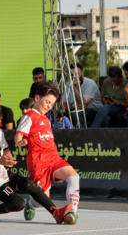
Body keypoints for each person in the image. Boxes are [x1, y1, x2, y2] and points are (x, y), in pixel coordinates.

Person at [0, 105, 72, 224]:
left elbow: (5, 149)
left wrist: (8, 156)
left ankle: (56, 213)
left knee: (28, 183)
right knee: (19, 203)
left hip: (5, 174)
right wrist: (1, 161)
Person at [15, 81, 80, 225]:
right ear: (37, 98)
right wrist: (20, 142)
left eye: (52, 104)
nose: (49, 106)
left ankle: (72, 213)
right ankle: (31, 204)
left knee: (73, 176)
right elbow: (17, 137)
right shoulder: (29, 116)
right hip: (38, 162)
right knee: (43, 198)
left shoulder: (46, 119)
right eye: (47, 102)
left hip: (53, 158)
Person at [63, 64, 103, 128]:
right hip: (75, 109)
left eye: (77, 74)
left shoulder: (90, 84)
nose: (74, 77)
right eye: (72, 75)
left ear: (82, 74)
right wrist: (73, 107)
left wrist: (75, 87)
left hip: (93, 111)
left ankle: (82, 135)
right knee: (62, 113)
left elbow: (82, 104)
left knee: (76, 114)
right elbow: (63, 104)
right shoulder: (68, 84)